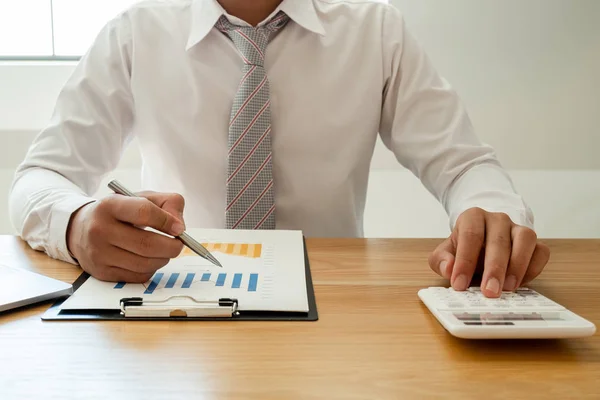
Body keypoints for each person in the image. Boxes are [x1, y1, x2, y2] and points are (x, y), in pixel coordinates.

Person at [8, 0, 550, 298]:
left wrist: (493, 217)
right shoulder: (134, 32)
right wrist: (76, 224)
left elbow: (463, 164)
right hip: (175, 303)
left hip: (334, 310)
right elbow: (40, 176)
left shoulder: (376, 29)